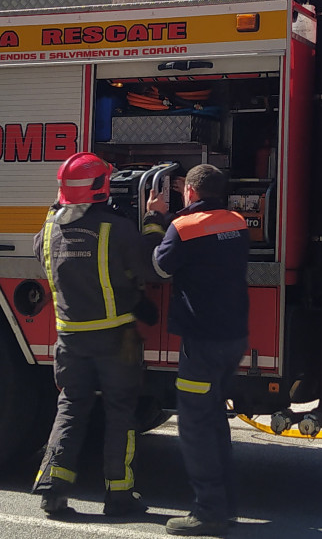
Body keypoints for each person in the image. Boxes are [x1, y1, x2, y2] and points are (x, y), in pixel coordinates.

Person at [32, 152, 165, 517]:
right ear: (102, 187)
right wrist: (154, 219)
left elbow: (43, 252)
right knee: (120, 410)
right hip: (115, 340)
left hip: (69, 341)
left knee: (71, 406)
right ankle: (119, 495)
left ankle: (53, 490)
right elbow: (151, 266)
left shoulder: (48, 232)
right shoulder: (116, 228)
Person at [145, 164, 249, 537]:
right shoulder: (237, 221)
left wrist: (156, 219)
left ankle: (208, 512)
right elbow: (204, 238)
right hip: (233, 337)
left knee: (195, 427)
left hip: (202, 341)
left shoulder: (182, 228)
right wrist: (180, 214)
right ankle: (225, 506)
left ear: (188, 192)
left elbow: (160, 266)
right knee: (214, 422)